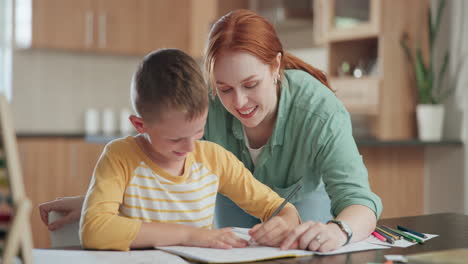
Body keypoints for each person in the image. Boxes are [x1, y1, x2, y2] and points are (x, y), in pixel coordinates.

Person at [40, 9, 382, 252]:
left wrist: (338, 231)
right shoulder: (203, 107)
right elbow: (169, 169)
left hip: (299, 227)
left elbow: (358, 201)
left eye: (250, 84)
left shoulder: (319, 111)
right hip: (223, 235)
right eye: (224, 88)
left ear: (276, 66)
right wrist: (101, 200)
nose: (239, 102)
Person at [77, 48, 300, 251]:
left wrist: (284, 222)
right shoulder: (120, 156)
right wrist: (190, 235)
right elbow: (94, 230)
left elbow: (280, 208)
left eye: (198, 131)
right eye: (175, 139)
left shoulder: (214, 158)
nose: (190, 147)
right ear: (140, 125)